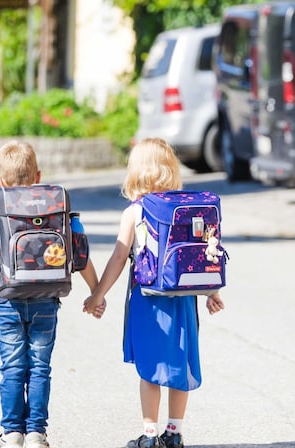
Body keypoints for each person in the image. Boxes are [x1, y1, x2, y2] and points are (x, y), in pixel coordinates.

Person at [83, 137, 225, 448]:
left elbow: (120, 257)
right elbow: (201, 254)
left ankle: (149, 436)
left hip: (148, 300)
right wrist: (211, 291)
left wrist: (98, 294)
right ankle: (174, 434)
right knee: (179, 363)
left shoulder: (134, 212)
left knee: (151, 368)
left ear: (135, 172)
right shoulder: (187, 209)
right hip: (185, 300)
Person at [0, 140, 102, 448]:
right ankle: (36, 433)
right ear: (39, 176)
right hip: (47, 298)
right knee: (40, 367)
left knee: (13, 367)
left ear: (2, 182)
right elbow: (80, 255)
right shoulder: (57, 211)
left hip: (8, 301)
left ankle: (12, 432)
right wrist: (96, 292)